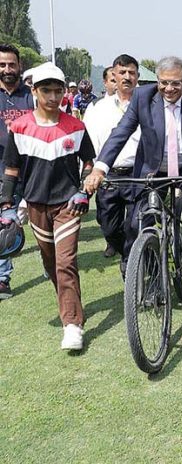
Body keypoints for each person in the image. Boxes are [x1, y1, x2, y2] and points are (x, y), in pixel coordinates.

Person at [84, 56, 182, 262]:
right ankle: (142, 267)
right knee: (136, 223)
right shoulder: (142, 96)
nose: (169, 89)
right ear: (157, 81)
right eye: (163, 82)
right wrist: (100, 169)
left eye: (175, 83)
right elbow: (121, 133)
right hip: (152, 167)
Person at [0, 62, 96, 350]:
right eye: (46, 91)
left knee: (66, 262)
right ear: (34, 90)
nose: (53, 97)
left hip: (68, 205)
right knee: (52, 264)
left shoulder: (76, 127)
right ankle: (69, 305)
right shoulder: (20, 128)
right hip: (35, 205)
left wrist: (83, 191)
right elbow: (12, 170)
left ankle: (72, 324)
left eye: (57, 91)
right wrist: (6, 204)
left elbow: (89, 164)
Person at [83, 54, 141, 266]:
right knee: (108, 226)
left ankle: (130, 262)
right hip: (108, 176)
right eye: (122, 72)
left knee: (135, 225)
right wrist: (90, 172)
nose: (126, 77)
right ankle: (123, 248)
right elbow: (89, 141)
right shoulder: (98, 108)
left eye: (131, 73)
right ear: (113, 76)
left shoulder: (149, 106)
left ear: (137, 77)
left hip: (138, 174)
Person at [0, 44, 34, 299]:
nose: (7, 69)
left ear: (19, 66)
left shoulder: (32, 94)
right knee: (4, 223)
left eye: (12, 64)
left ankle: (51, 265)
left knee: (43, 223)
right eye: (2, 65)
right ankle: (3, 278)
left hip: (33, 169)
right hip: (2, 171)